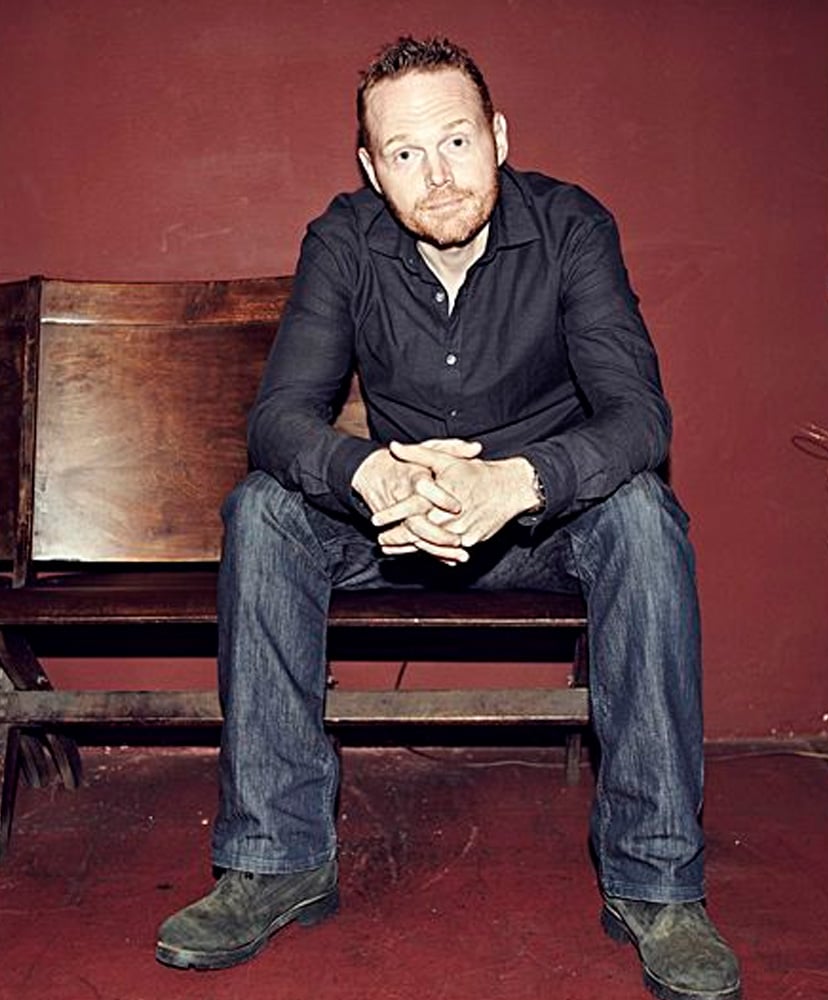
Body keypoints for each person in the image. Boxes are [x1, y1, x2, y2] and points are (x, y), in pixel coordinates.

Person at [155, 36, 740, 1000]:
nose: (438, 174)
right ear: (371, 167)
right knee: (263, 510)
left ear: (499, 136)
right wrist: (374, 475)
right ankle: (277, 860)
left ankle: (658, 884)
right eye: (407, 153)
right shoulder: (341, 240)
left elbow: (639, 417)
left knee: (642, 515)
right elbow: (279, 420)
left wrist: (518, 483)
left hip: (544, 527)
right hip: (398, 525)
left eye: (458, 141)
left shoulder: (573, 227)